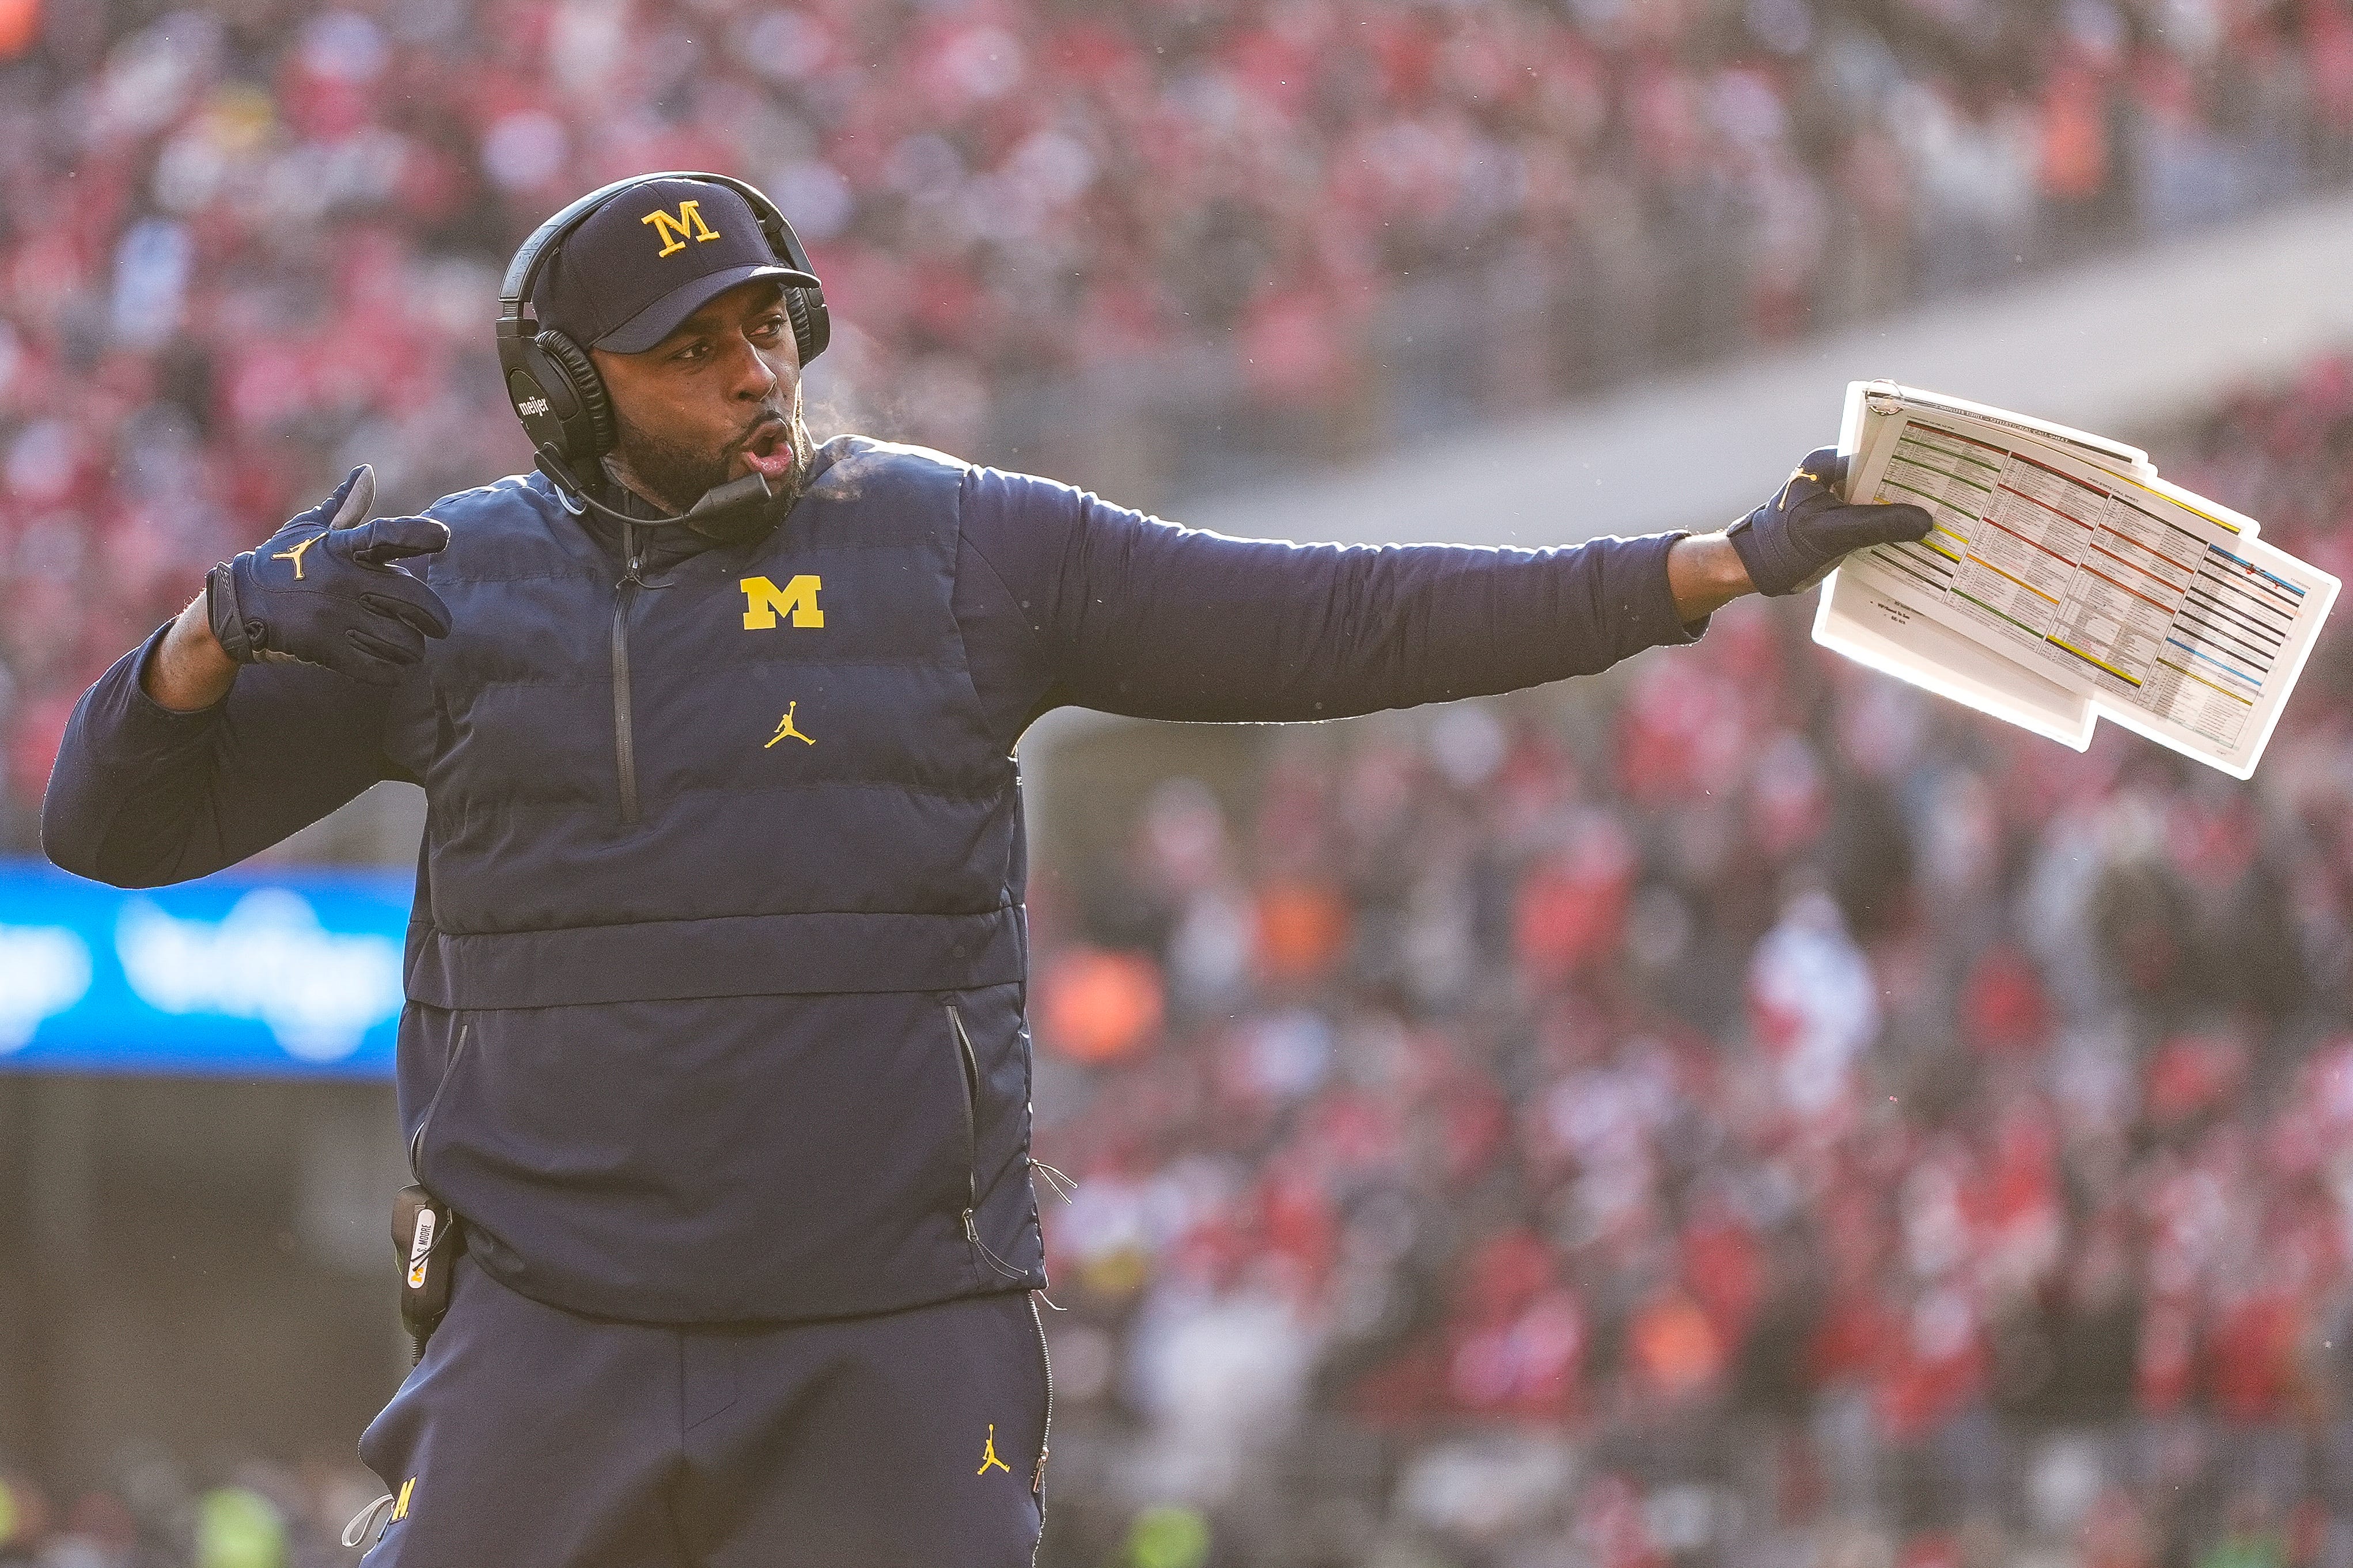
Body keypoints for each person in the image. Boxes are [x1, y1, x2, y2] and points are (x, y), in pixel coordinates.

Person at [39, 173, 1929, 1567]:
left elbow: (1342, 623)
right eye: (690, 352)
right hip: (554, 1322)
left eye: (770, 326)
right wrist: (206, 639)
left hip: (894, 1323)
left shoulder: (962, 548)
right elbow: (104, 833)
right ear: (563, 390)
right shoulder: (446, 593)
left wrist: (1703, 570)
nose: (754, 371)